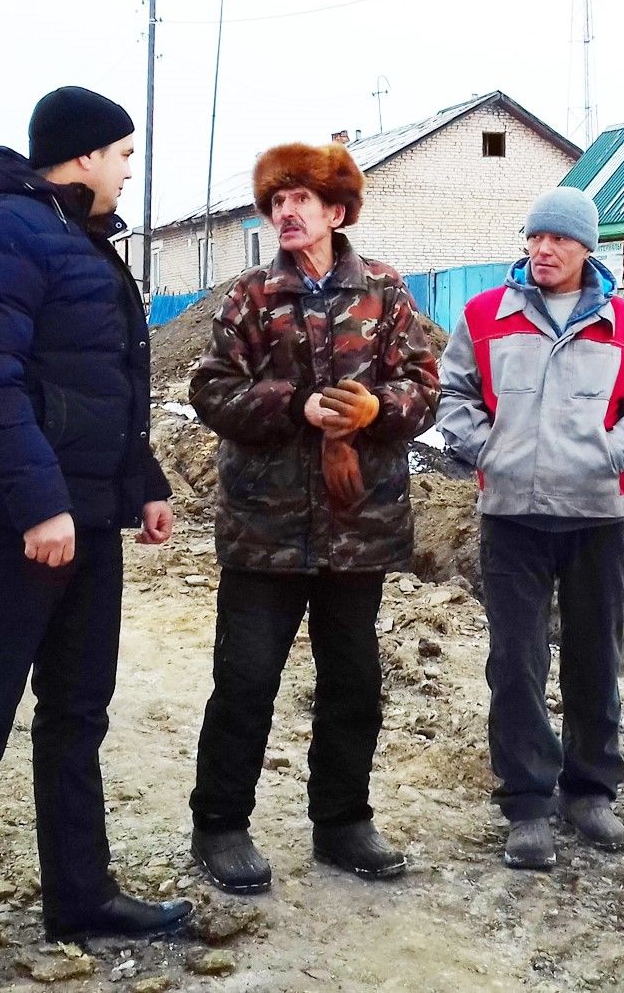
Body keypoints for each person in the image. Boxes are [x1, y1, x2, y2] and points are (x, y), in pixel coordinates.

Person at [0, 87, 191, 993]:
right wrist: (37, 506)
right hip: (6, 526)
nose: (129, 170)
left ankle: (82, 894)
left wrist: (139, 486)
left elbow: (102, 381)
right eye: (124, 154)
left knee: (76, 714)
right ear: (86, 154)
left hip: (86, 519)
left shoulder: (80, 241)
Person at [187, 141, 439, 894]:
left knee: (353, 680)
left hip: (356, 523)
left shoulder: (387, 294)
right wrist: (288, 404)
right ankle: (221, 825)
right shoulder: (250, 298)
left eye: (299, 200)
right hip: (264, 527)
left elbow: (426, 390)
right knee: (245, 678)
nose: (285, 213)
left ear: (335, 211)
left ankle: (342, 822)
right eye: (275, 202)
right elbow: (209, 390)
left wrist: (378, 409)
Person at [437, 187, 624, 869]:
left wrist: (606, 456)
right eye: (535, 237)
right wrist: (488, 451)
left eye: (558, 240)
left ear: (586, 248)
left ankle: (591, 790)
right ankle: (528, 803)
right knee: (516, 662)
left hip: (596, 518)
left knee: (596, 656)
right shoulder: (484, 315)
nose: (543, 250)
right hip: (511, 517)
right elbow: (454, 393)